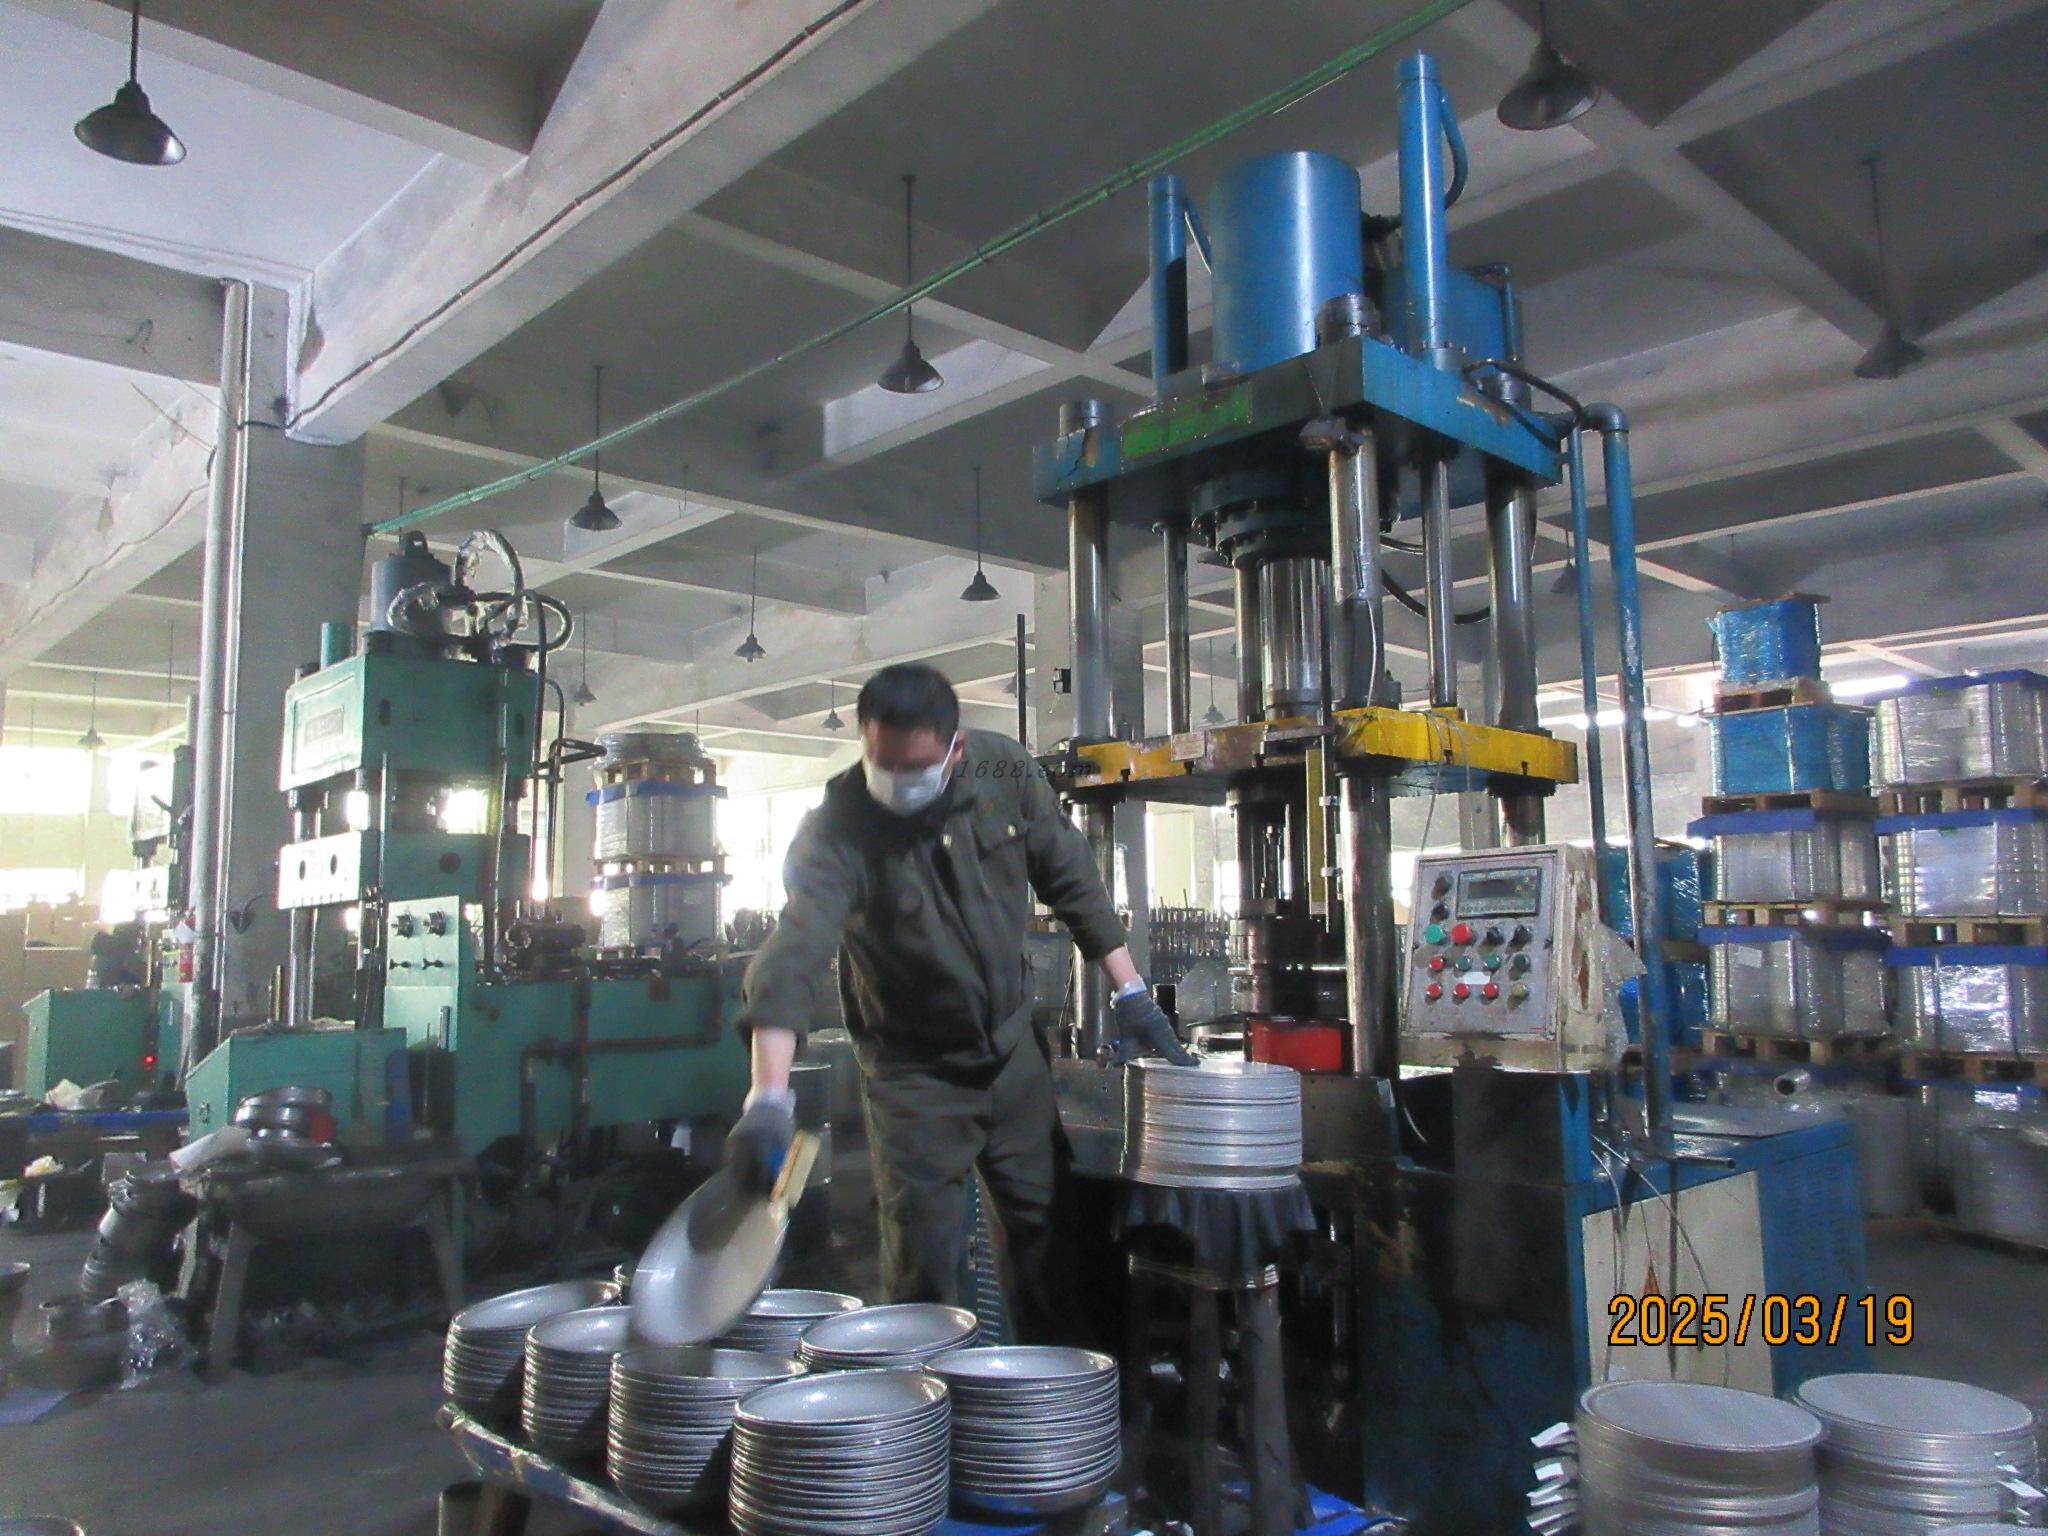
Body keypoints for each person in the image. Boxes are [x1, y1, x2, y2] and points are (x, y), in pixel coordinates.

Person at [724, 662, 1191, 1339]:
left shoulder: (1003, 771)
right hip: (912, 1075)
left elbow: (1071, 877)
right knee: (923, 1268)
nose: (895, 783)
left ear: (956, 749)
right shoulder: (838, 826)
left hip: (1011, 1058)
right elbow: (792, 955)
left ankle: (1043, 1396)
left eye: (914, 767)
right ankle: (921, 1397)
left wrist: (1132, 990)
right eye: (881, 764)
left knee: (1049, 1244)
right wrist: (767, 1099)